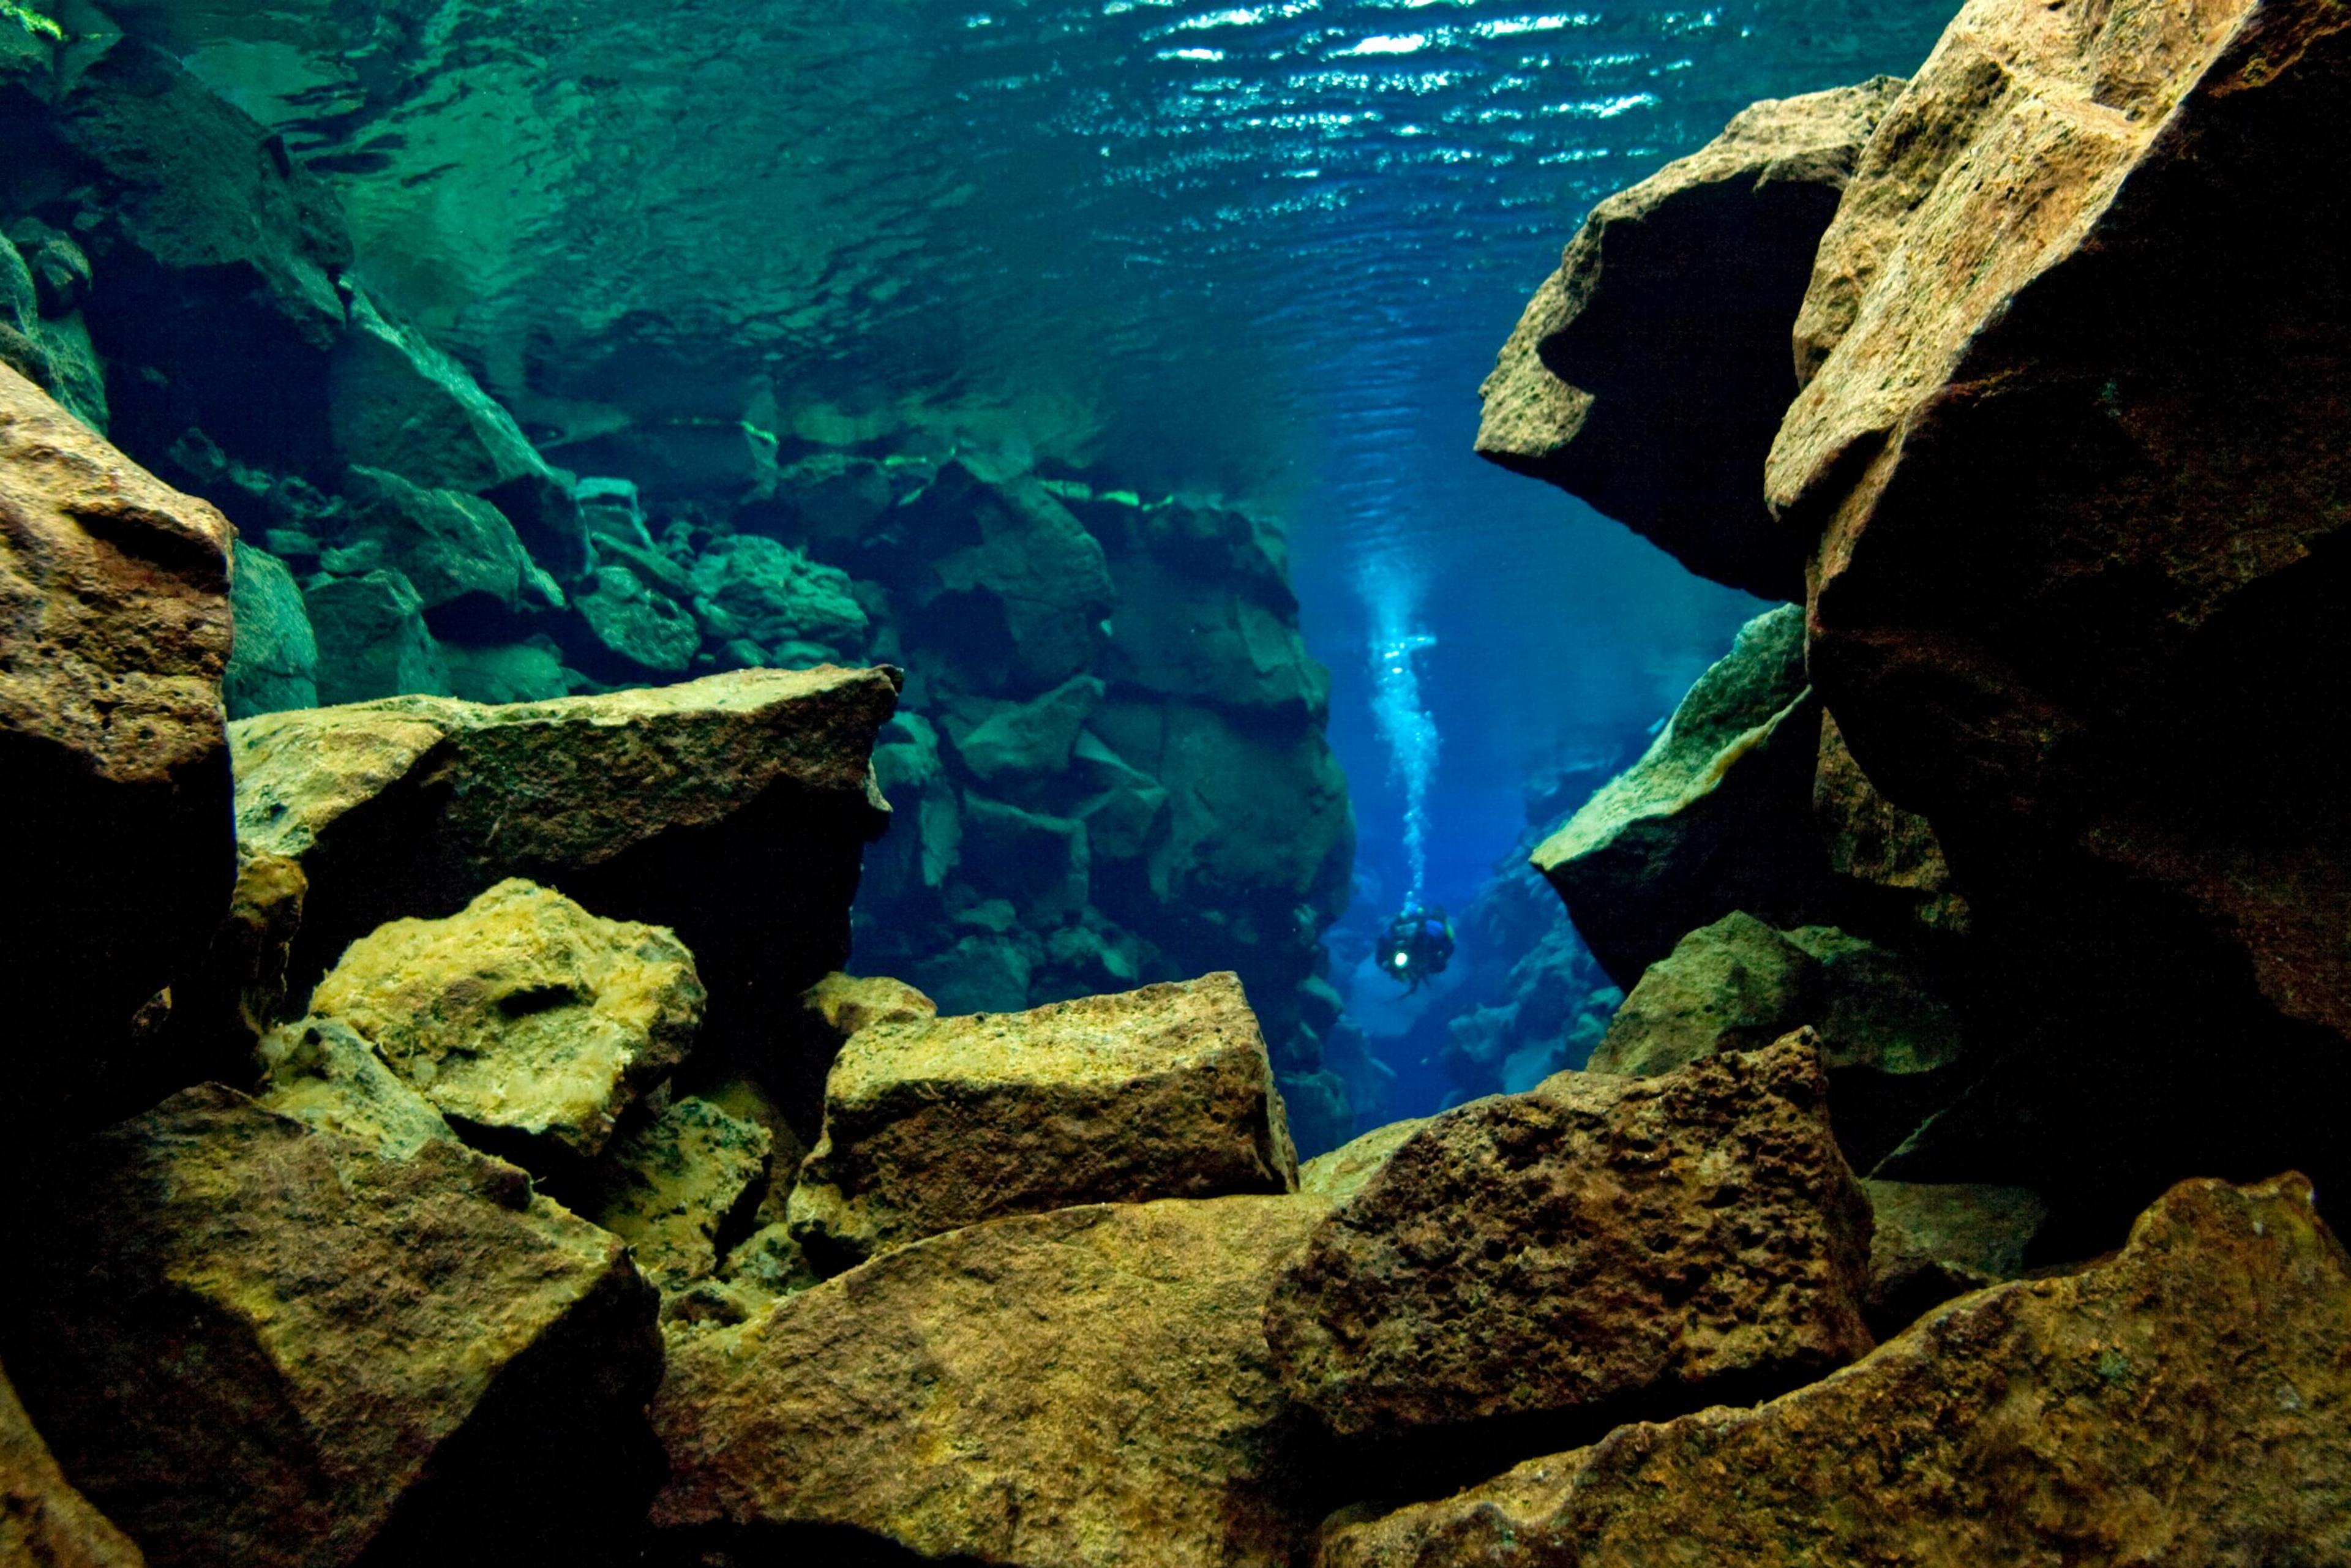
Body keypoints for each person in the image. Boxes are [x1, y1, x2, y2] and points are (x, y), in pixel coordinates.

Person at [1376, 903, 1455, 992]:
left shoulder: (1432, 931)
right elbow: (1381, 948)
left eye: (1409, 928)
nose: (1406, 931)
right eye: (1402, 929)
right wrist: (1385, 963)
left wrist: (1439, 958)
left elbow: (1449, 945)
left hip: (1426, 951)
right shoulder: (1391, 934)